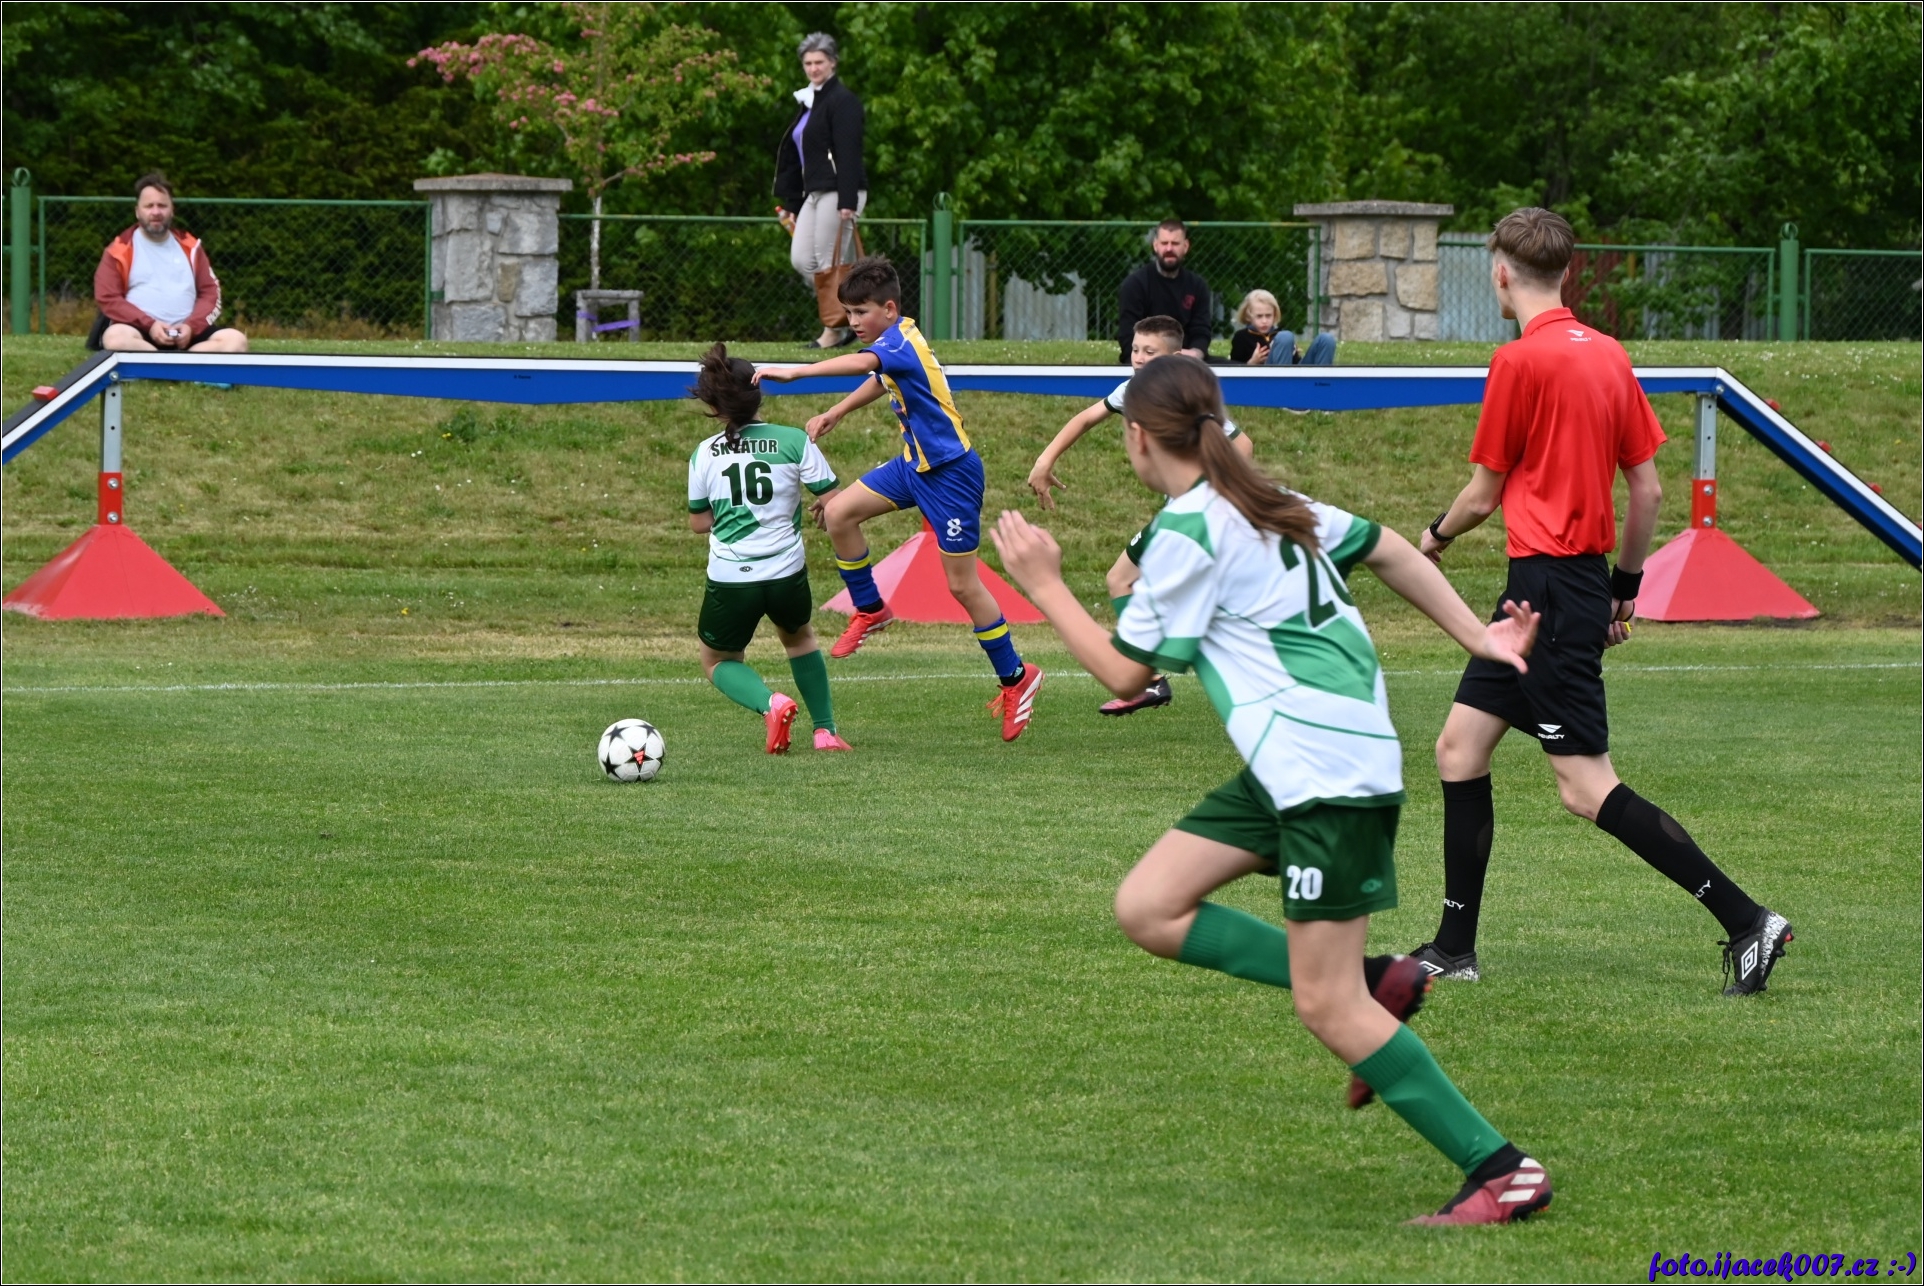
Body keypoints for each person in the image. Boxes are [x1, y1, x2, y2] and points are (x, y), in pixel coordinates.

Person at [991, 354, 1553, 1226]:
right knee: (1149, 907)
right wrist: (1475, 636)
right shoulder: (1271, 500)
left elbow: (1126, 674)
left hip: (1323, 776)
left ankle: (1502, 1169)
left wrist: (1044, 584)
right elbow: (1391, 547)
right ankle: (1380, 978)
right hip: (1297, 767)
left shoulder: (1190, 530)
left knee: (1327, 1006)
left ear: (1136, 439)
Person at [1410, 207, 1792, 996]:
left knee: (1585, 788)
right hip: (1559, 588)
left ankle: (1748, 920)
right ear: (1567, 273)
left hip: (1546, 592)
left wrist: (1433, 538)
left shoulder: (1518, 361)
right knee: (1459, 749)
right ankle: (1453, 948)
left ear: (1501, 273)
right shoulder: (1610, 354)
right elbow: (1647, 491)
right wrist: (1622, 591)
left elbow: (1482, 495)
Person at [755, 256, 1046, 743]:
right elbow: (880, 376)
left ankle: (1017, 677)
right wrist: (838, 411)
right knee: (838, 513)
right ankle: (871, 609)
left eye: (861, 312)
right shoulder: (897, 338)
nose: (853, 322)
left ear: (889, 309)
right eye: (848, 313)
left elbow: (866, 363)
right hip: (914, 467)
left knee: (962, 586)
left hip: (951, 476)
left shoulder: (897, 343)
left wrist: (796, 373)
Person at [1026, 314, 1253, 717]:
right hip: (1181, 515)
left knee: (1125, 580)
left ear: (1175, 358)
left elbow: (1242, 445)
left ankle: (1152, 679)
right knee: (1132, 582)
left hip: (1190, 516)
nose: (1140, 358)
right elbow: (1086, 417)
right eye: (1135, 349)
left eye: (1151, 351)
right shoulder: (1132, 391)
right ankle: (1158, 676)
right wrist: (1045, 460)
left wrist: (1210, 496)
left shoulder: (1184, 396)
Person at [686, 343, 852, 754]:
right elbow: (836, 502)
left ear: (715, 406)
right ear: (758, 394)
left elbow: (699, 523)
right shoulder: (794, 440)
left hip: (731, 577)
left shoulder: (704, 453)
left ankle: (771, 703)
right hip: (785, 572)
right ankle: (825, 732)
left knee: (717, 660)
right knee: (799, 641)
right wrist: (821, 504)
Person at [774, 32, 867, 350]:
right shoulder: (807, 102)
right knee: (802, 260)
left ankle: (834, 329)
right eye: (808, 63)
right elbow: (797, 156)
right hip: (812, 193)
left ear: (833, 63)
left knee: (829, 263)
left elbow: (849, 153)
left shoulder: (843, 101)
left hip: (839, 191)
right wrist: (792, 202)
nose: (813, 68)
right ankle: (857, 314)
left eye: (819, 62)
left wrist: (847, 200)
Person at [90, 173, 247, 354]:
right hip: (139, 333)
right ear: (137, 211)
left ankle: (174, 363)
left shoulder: (192, 247)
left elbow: (210, 292)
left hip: (189, 335)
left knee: (236, 341)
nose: (156, 212)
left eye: (162, 206)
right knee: (115, 338)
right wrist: (150, 325)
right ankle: (173, 363)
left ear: (172, 210)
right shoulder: (118, 250)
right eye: (149, 206)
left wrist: (191, 327)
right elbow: (108, 298)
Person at [1115, 219, 1212, 363]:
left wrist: (1195, 353)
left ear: (1185, 246)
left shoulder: (1197, 286)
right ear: (1155, 245)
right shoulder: (1135, 285)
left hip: (1187, 362)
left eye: (1175, 243)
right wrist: (1157, 356)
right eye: (1164, 243)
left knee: (1234, 368)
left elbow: (1201, 331)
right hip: (1146, 362)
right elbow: (1128, 336)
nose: (1169, 249)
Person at [1228, 288, 1335, 366]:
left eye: (1268, 315)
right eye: (1259, 316)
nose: (1264, 321)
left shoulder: (1279, 334)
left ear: (1275, 315)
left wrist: (1293, 353)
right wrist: (1252, 362)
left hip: (1294, 376)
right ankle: (1283, 387)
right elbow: (1233, 371)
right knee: (1285, 337)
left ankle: (1321, 385)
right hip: (1266, 382)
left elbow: (1295, 363)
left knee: (1326, 339)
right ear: (1248, 316)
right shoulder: (1241, 337)